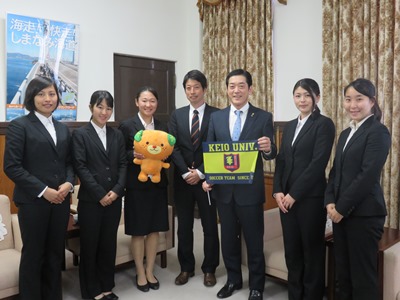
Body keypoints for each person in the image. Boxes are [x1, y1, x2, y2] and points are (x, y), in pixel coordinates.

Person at [202, 69, 277, 300]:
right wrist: (207, 177)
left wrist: (268, 148)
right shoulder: (216, 117)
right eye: (232, 86)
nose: (236, 90)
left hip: (250, 192)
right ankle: (233, 280)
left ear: (250, 89)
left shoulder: (263, 117)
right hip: (224, 193)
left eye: (241, 85)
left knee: (254, 241)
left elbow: (270, 153)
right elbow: (212, 153)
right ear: (226, 89)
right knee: (228, 240)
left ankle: (257, 286)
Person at [3, 76, 75, 300]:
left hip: (61, 201)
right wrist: (45, 191)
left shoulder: (63, 129)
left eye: (52, 94)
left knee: (55, 255)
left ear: (58, 97)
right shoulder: (19, 126)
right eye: (41, 94)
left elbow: (69, 163)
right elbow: (12, 167)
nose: (47, 99)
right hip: (33, 202)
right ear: (31, 98)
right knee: (34, 255)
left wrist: (68, 183)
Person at [325, 78, 391, 300]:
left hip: (364, 215)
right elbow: (335, 172)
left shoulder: (378, 132)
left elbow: (367, 176)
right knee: (343, 275)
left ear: (372, 101)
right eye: (348, 99)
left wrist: (341, 208)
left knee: (363, 278)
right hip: (340, 215)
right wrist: (330, 201)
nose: (352, 105)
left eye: (359, 99)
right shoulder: (346, 133)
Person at [273, 78, 335, 300]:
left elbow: (317, 164)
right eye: (298, 95)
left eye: (307, 95)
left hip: (309, 200)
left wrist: (293, 195)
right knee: (292, 252)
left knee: (312, 253)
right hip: (285, 201)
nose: (302, 100)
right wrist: (278, 191)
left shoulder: (324, 124)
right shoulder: (289, 126)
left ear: (317, 97)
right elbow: (281, 161)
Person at [72, 90, 127, 300]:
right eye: (100, 107)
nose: (104, 112)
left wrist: (117, 190)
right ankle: (91, 291)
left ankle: (106, 287)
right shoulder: (80, 134)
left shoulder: (117, 134)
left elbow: (123, 164)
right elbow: (80, 167)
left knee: (108, 244)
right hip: (91, 201)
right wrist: (100, 194)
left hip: (114, 199)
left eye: (108, 108)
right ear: (91, 108)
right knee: (90, 245)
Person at [168, 70, 220, 287]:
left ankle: (209, 269)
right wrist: (185, 172)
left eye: (196, 87)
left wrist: (199, 172)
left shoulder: (217, 115)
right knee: (184, 226)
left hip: (207, 181)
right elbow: (173, 146)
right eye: (188, 88)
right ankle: (186, 267)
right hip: (182, 181)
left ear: (205, 89)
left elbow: (217, 148)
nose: (192, 92)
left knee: (209, 226)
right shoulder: (176, 115)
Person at [118, 86, 170, 292]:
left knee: (154, 229)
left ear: (157, 104)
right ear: (136, 102)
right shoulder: (127, 125)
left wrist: (165, 156)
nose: (148, 105)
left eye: (152, 101)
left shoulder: (163, 126)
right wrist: (133, 155)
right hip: (136, 185)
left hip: (158, 185)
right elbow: (120, 154)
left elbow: (170, 150)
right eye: (144, 100)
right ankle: (140, 271)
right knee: (138, 231)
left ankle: (150, 270)